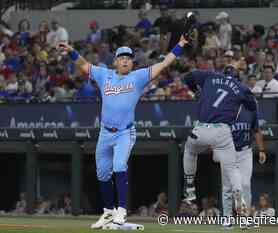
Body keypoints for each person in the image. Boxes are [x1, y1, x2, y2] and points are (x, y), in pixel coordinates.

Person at [59, 34, 188, 229]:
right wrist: (71, 52)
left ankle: (121, 210)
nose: (126, 60)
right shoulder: (104, 75)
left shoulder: (138, 77)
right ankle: (108, 212)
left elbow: (163, 64)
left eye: (128, 57)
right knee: (102, 174)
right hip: (105, 132)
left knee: (119, 166)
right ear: (116, 61)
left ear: (132, 62)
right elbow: (84, 66)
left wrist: (180, 45)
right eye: (122, 57)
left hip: (124, 133)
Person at [182, 64, 257, 224]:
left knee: (189, 150)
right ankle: (239, 196)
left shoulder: (210, 76)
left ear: (223, 73)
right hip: (222, 131)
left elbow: (187, 77)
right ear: (237, 76)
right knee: (232, 170)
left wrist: (196, 91)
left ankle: (189, 184)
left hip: (200, 129)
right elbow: (252, 106)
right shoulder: (240, 86)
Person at [219, 101, 266, 228]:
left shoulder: (250, 110)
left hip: (245, 152)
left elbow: (256, 130)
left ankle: (245, 218)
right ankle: (227, 218)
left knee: (245, 185)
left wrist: (261, 150)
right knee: (228, 187)